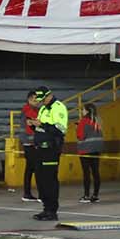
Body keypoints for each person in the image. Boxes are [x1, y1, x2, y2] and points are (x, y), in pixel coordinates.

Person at [32, 86, 68, 221]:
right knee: (41, 180)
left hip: (51, 149)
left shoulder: (58, 107)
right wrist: (34, 124)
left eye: (43, 99)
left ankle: (52, 211)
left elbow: (60, 130)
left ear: (49, 95)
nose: (41, 102)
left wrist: (42, 124)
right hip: (40, 148)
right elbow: (41, 128)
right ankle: (45, 208)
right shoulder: (43, 108)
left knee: (49, 180)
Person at [76, 103, 104, 203]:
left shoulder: (83, 121)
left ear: (87, 111)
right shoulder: (98, 121)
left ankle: (86, 196)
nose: (81, 112)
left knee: (86, 173)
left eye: (83, 110)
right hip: (96, 150)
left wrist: (78, 126)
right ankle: (95, 195)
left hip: (85, 150)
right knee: (96, 172)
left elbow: (80, 136)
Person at [19, 90, 39, 203]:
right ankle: (35, 193)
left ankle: (27, 193)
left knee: (30, 168)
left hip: (29, 143)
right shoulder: (28, 111)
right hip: (30, 143)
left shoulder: (33, 110)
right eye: (35, 99)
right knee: (35, 168)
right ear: (30, 99)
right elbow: (30, 128)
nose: (38, 102)